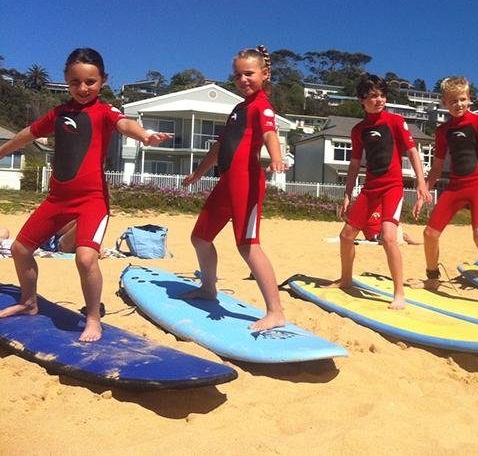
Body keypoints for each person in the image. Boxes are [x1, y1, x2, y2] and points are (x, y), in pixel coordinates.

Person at [0, 48, 170, 341]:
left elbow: (124, 124)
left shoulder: (104, 111)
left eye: (90, 82)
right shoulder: (59, 114)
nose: (82, 88)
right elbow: (26, 134)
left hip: (92, 201)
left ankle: (93, 318)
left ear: (103, 80)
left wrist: (143, 135)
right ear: (66, 80)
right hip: (57, 199)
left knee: (85, 258)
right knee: (20, 249)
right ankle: (28, 302)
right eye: (75, 81)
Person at [181, 46, 286, 331]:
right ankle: (208, 288)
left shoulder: (262, 105)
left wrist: (276, 158)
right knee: (200, 236)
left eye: (249, 73)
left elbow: (269, 133)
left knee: (247, 245)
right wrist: (197, 174)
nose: (243, 79)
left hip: (248, 183)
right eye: (238, 75)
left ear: (264, 74)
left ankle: (275, 311)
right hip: (227, 182)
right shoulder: (239, 108)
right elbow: (219, 147)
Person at [326, 73, 431, 309]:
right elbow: (354, 164)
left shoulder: (395, 121)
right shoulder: (358, 130)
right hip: (369, 188)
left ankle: (399, 293)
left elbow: (413, 152)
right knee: (346, 237)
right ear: (361, 100)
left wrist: (422, 183)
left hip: (392, 187)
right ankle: (345, 279)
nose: (380, 100)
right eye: (374, 96)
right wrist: (347, 193)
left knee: (389, 238)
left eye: (383, 95)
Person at [413, 76, 478, 308]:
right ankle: (433, 278)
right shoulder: (443, 130)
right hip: (456, 186)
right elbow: (437, 166)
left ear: (469, 99)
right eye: (453, 101)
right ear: (444, 103)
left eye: (463, 99)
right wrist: (424, 192)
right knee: (429, 234)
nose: (459, 104)